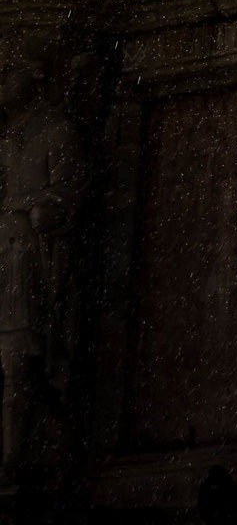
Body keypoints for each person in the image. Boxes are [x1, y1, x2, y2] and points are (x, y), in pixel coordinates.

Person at [0, 50, 83, 487]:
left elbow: (67, 197)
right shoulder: (6, 139)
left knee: (18, 361)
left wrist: (40, 209)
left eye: (6, 73)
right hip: (6, 252)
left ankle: (14, 459)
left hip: (26, 260)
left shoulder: (57, 133)